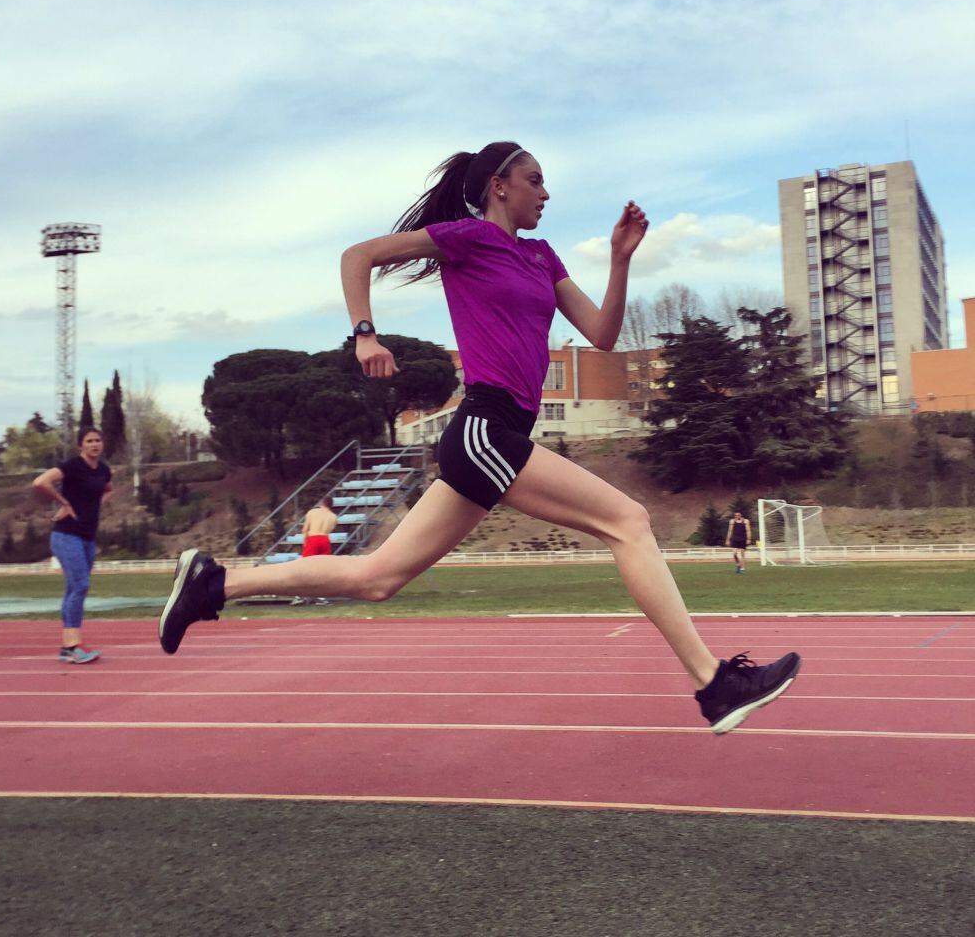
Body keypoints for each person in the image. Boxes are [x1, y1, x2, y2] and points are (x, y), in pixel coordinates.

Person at [159, 141, 801, 733]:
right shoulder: (465, 238)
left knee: (378, 578)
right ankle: (714, 684)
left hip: (496, 438)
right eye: (535, 181)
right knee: (628, 520)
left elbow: (602, 336)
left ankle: (216, 584)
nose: (546, 194)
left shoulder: (542, 257)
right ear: (499, 187)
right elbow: (358, 256)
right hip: (484, 428)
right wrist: (365, 334)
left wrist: (619, 260)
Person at [33, 426, 112, 664]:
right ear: (81, 445)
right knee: (81, 586)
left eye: (98, 440)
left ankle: (68, 647)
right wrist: (64, 502)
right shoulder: (72, 466)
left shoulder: (104, 470)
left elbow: (108, 489)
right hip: (66, 536)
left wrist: (93, 504)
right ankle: (72, 645)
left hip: (88, 537)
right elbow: (41, 482)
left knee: (74, 589)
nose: (95, 444)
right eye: (89, 441)